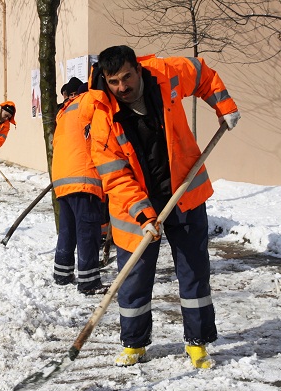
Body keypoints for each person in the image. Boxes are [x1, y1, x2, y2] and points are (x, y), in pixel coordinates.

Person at [80, 45, 240, 369]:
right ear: (104, 80)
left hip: (185, 191)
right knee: (135, 275)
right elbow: (115, 177)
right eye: (114, 82)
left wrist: (223, 104)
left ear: (138, 69)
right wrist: (143, 213)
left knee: (194, 269)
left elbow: (202, 73)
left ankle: (198, 343)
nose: (122, 87)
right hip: (135, 204)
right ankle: (134, 343)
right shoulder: (101, 119)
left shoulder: (166, 74)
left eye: (127, 77)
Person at [51, 78, 107, 295]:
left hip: (62, 177)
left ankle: (62, 274)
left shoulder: (64, 112)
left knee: (68, 228)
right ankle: (89, 282)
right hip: (83, 177)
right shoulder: (89, 102)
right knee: (88, 231)